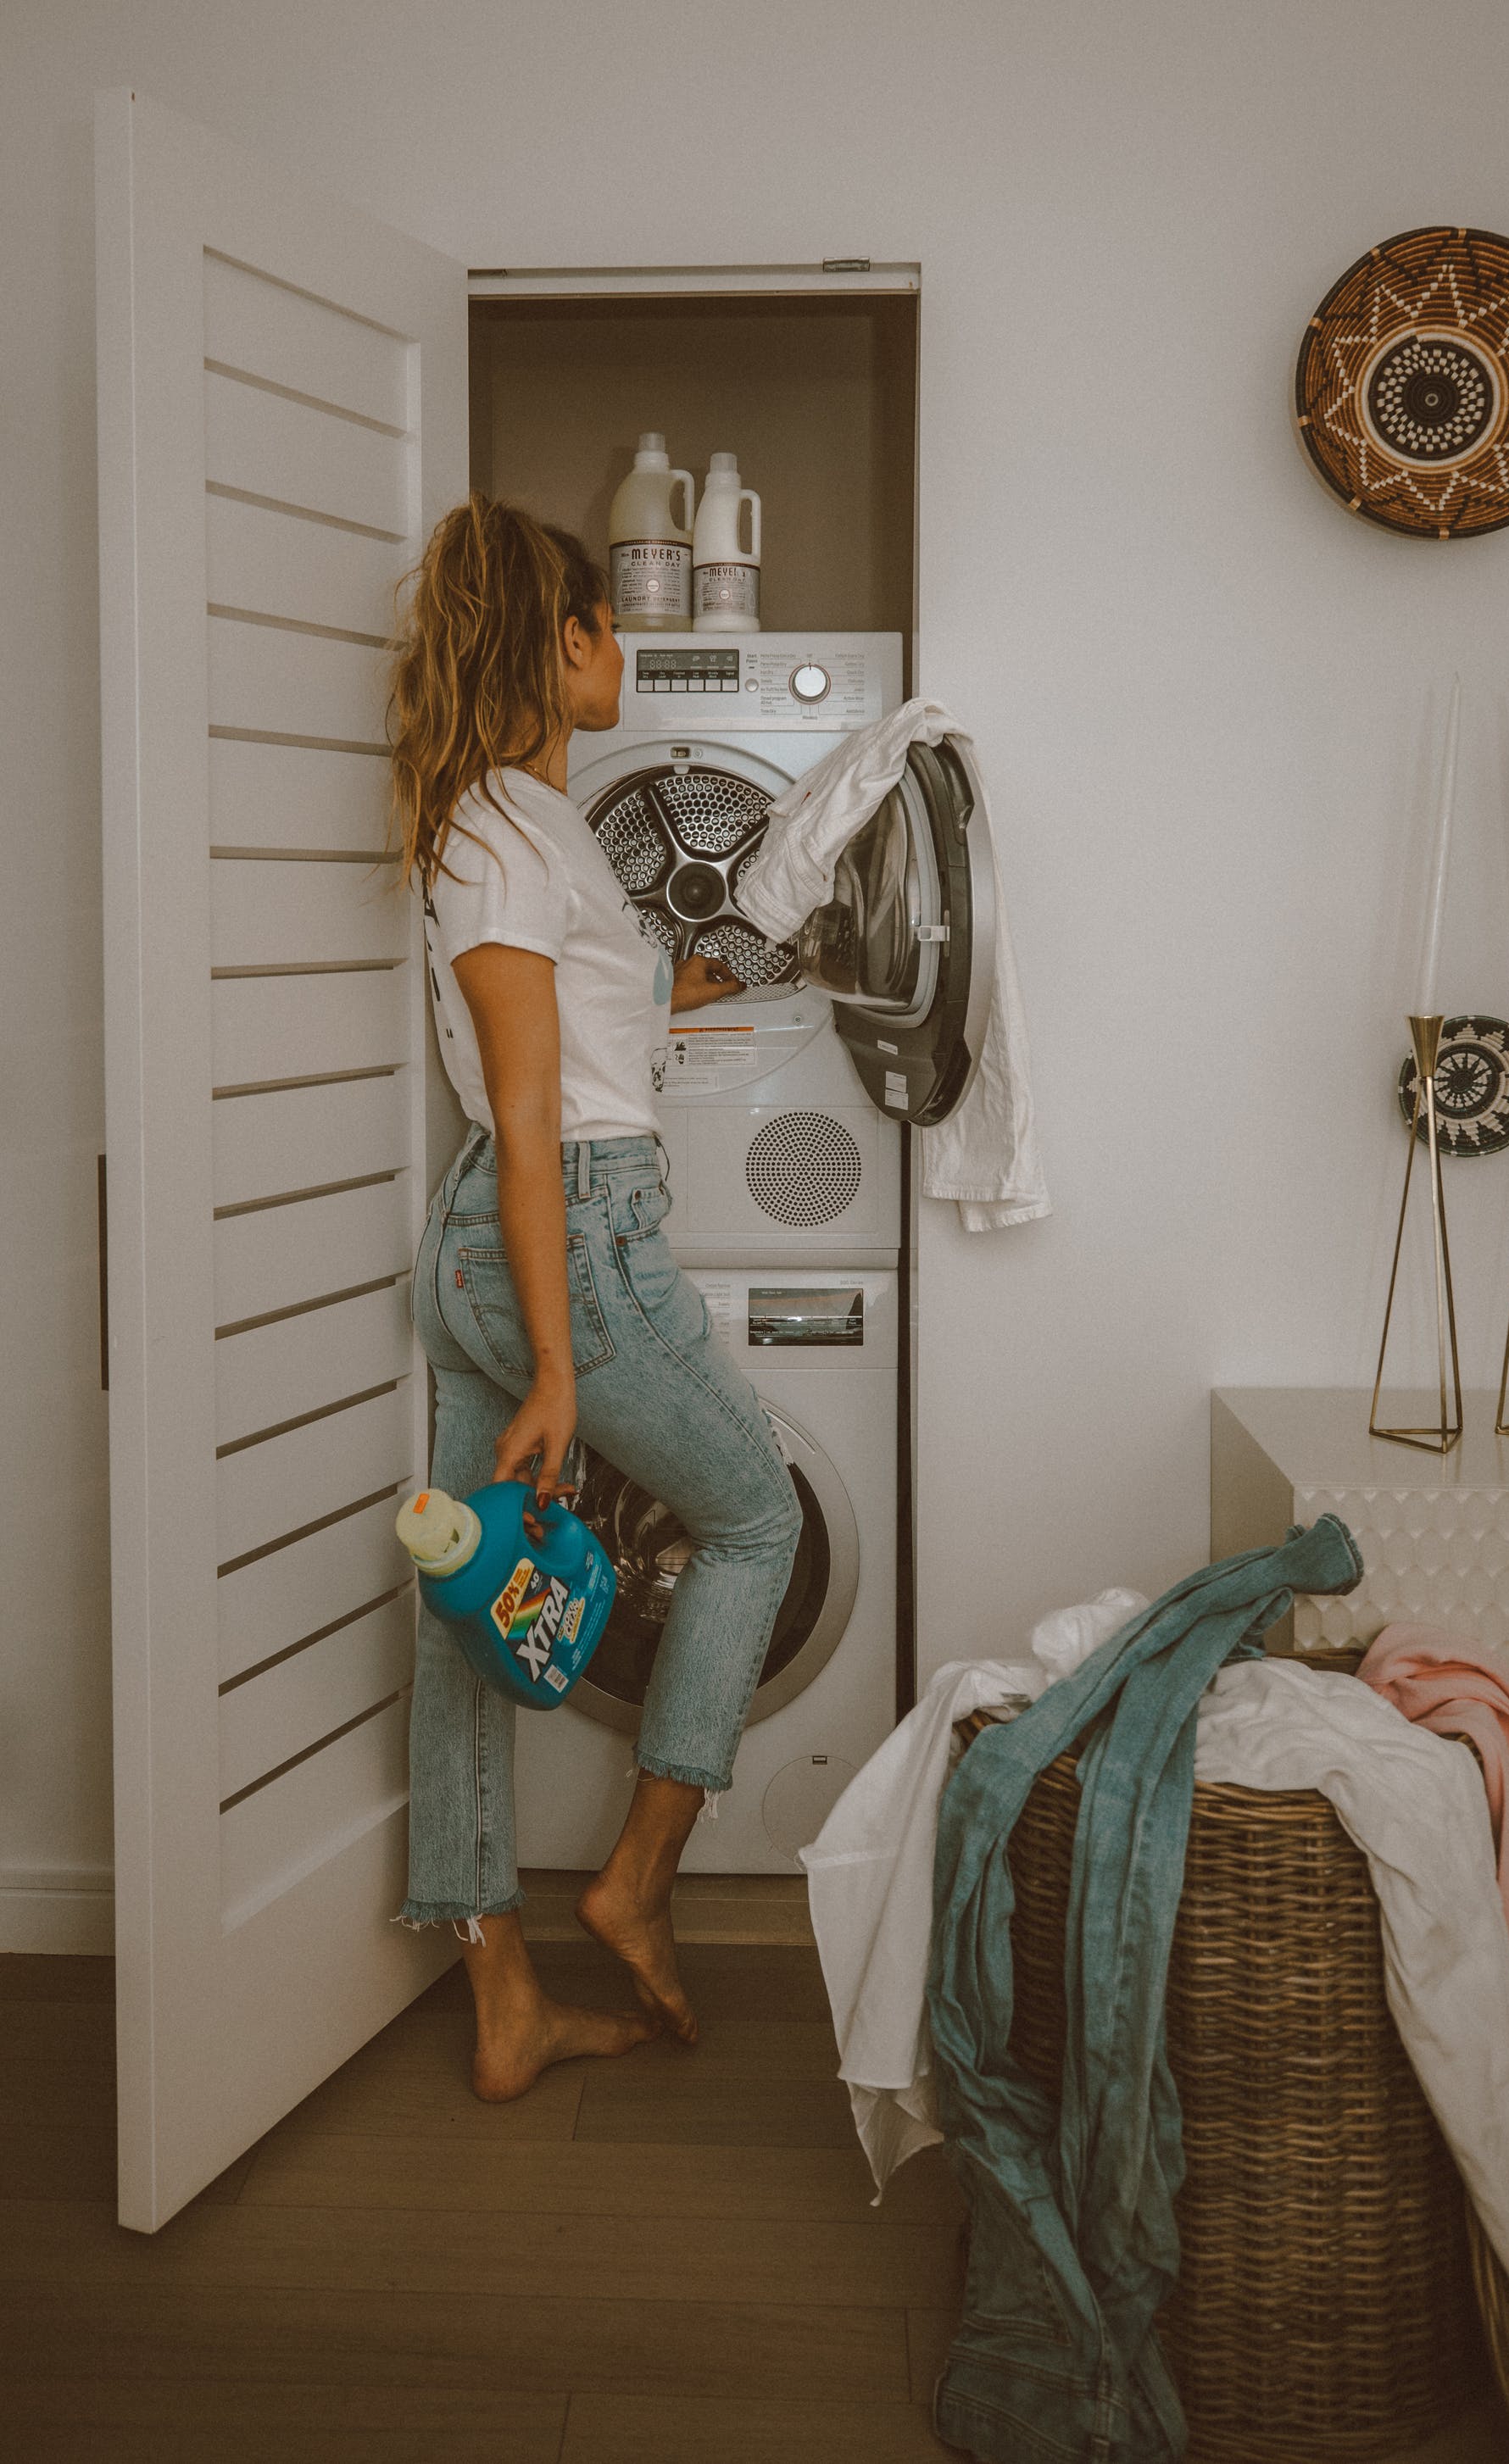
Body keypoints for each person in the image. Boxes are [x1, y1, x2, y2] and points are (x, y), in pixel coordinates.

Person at [387, 494, 804, 2098]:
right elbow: (531, 1122)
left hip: (508, 1245)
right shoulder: (502, 831)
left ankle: (505, 2005)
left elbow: (593, 1023)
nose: (622, 647)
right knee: (756, 1519)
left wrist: (735, 962)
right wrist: (562, 1367)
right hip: (561, 1237)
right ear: (560, 640)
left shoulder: (531, 824)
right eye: (607, 623)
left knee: (471, 1607)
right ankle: (637, 1877)